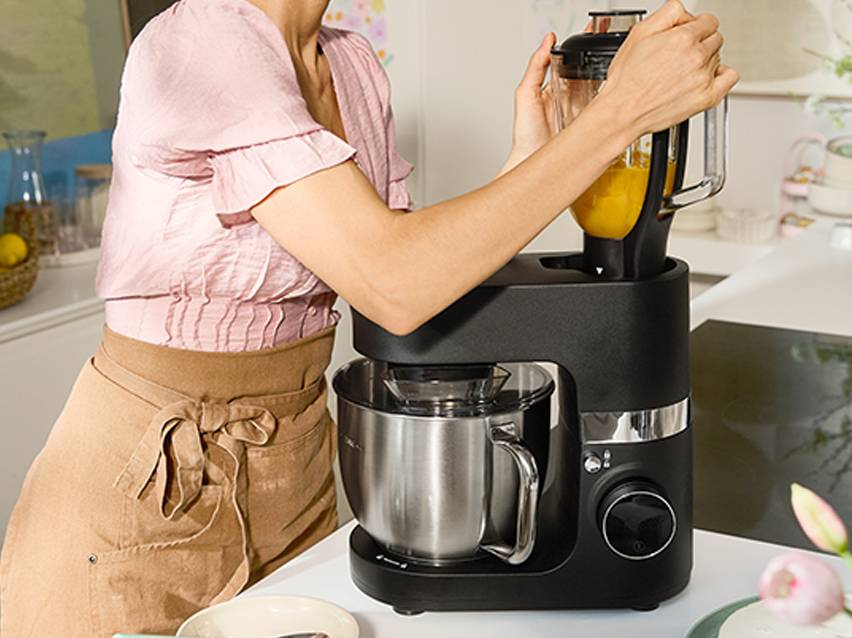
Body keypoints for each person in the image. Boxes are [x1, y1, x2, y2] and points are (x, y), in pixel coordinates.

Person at [0, 0, 737, 635]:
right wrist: (616, 118)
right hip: (151, 487)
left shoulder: (348, 61)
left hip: (294, 466)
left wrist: (526, 163)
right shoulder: (204, 42)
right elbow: (394, 284)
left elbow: (401, 267)